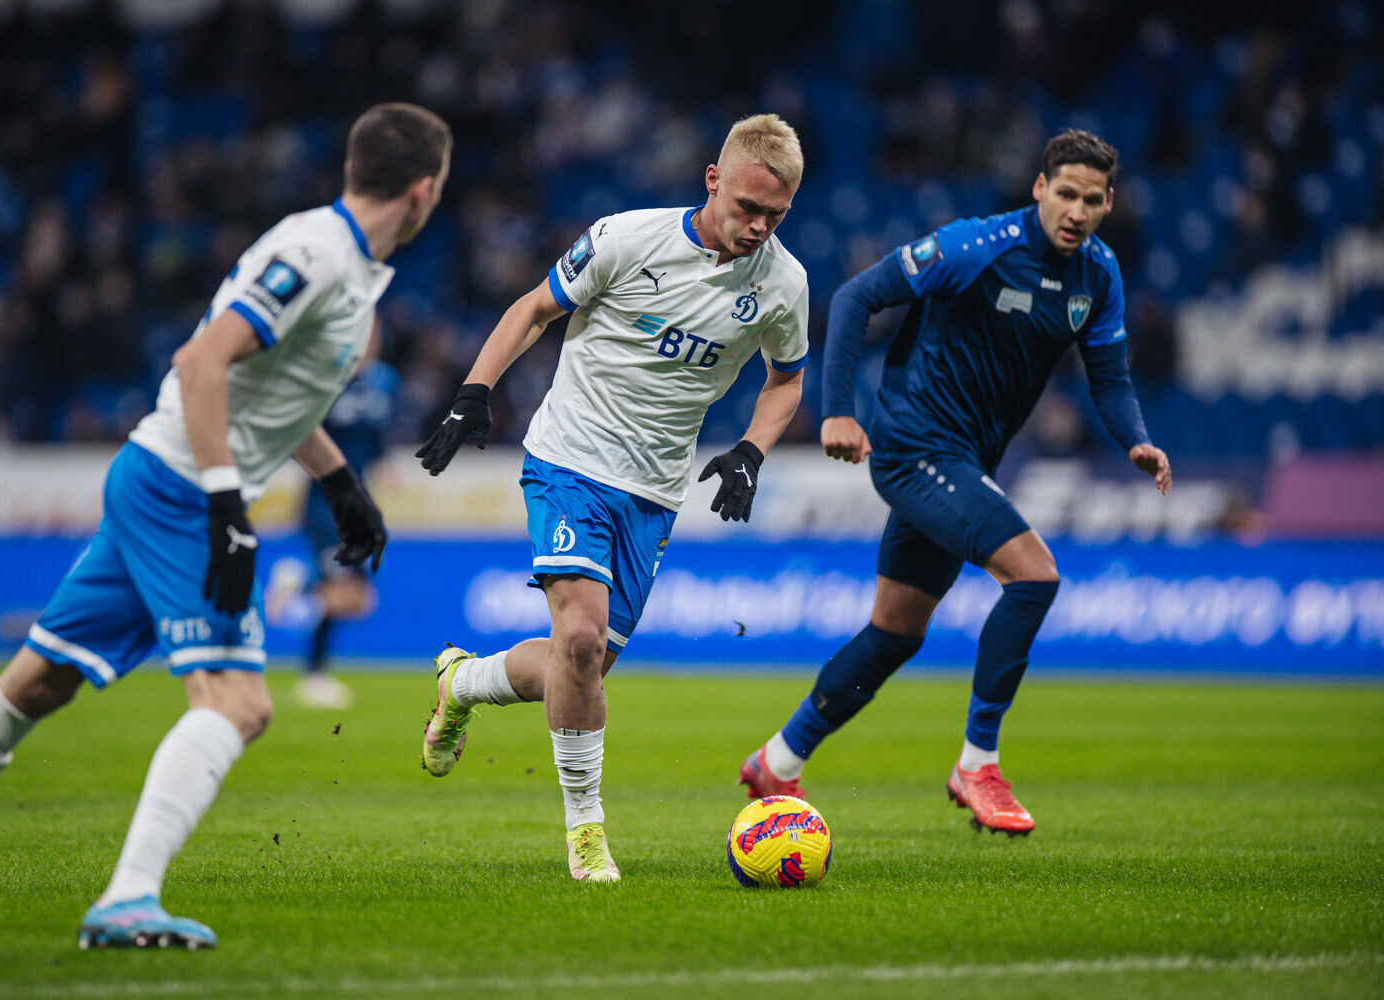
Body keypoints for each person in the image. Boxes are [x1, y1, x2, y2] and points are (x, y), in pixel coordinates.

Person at [0, 103, 450, 945]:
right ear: (423, 191)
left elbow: (274, 395)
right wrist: (226, 500)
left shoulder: (350, 265)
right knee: (239, 701)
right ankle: (126, 901)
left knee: (41, 680)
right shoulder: (316, 255)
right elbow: (200, 362)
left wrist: (339, 485)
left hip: (160, 478)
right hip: (180, 491)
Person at [739, 129, 1172, 837]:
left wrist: (1137, 440)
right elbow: (855, 298)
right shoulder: (977, 245)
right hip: (913, 447)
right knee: (1034, 577)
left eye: (1092, 200)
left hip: (965, 462)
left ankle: (778, 761)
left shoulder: (1099, 274)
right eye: (1065, 193)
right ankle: (978, 763)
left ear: (1108, 204)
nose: (1076, 210)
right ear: (1040, 188)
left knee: (894, 634)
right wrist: (839, 411)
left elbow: (1111, 378)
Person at [415, 114, 810, 882]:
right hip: (569, 460)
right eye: (747, 208)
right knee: (582, 640)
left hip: (654, 494)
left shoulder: (783, 285)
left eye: (775, 216)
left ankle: (461, 681)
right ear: (712, 180)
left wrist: (753, 451)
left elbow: (786, 380)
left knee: (580, 666)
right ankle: (586, 833)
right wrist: (473, 392)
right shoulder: (626, 239)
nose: (758, 227)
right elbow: (534, 308)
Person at [288, 321, 399, 710]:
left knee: (359, 600)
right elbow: (297, 438)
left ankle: (297, 588)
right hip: (324, 504)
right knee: (340, 594)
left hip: (359, 502)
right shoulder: (324, 382)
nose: (370, 343)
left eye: (375, 335)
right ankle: (313, 675)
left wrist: (385, 467)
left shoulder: (385, 381)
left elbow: (379, 437)